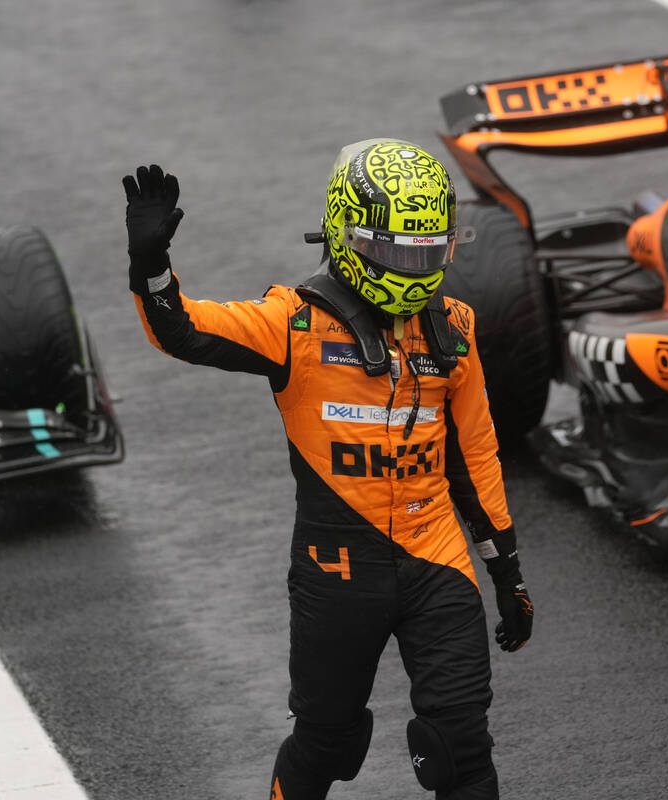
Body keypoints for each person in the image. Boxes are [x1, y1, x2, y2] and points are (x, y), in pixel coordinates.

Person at [123, 140, 534, 800]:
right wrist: (151, 261)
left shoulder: (452, 328)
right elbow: (182, 330)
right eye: (400, 252)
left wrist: (505, 570)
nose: (415, 269)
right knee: (328, 743)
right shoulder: (292, 323)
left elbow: (475, 456)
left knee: (460, 748)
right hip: (337, 574)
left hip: (439, 563)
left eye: (428, 253)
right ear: (349, 237)